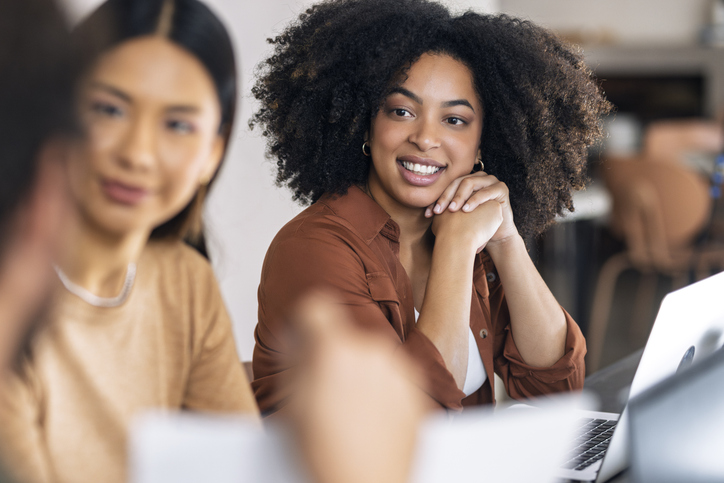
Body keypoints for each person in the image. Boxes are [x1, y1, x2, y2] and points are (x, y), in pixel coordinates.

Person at [251, 0, 610, 417]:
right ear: (365, 124)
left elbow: (555, 386)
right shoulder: (313, 250)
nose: (425, 138)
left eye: (454, 119)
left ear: (483, 143)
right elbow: (412, 417)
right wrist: (455, 250)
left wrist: (507, 240)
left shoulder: (467, 228)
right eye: (402, 111)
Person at [0, 1, 259, 482]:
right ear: (60, 112)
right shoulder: (12, 293)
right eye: (109, 109)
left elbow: (241, 470)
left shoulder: (185, 280)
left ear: (213, 152)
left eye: (178, 124)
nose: (137, 153)